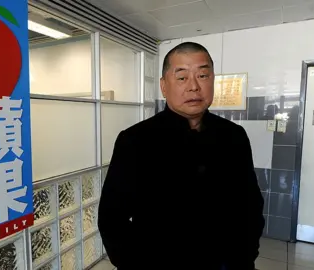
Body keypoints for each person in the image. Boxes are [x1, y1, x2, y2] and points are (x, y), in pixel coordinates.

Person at [98, 42, 264, 270]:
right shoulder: (135, 140)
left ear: (213, 80)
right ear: (164, 86)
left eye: (203, 75)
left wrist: (244, 257)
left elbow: (250, 205)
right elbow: (111, 219)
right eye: (182, 77)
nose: (194, 87)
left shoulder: (234, 136)